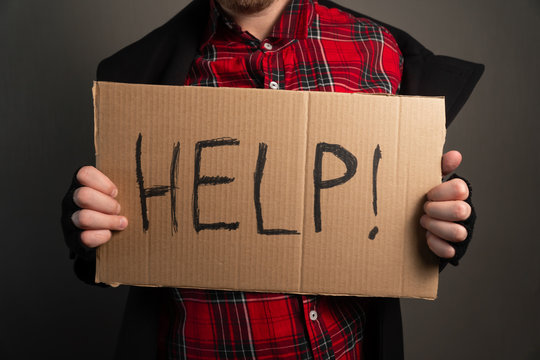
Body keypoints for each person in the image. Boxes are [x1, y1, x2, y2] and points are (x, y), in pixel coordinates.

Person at [61, 0, 483, 359]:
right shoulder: (140, 74)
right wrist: (86, 217)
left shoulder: (379, 50)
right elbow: (118, 220)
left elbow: (396, 198)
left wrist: (443, 217)